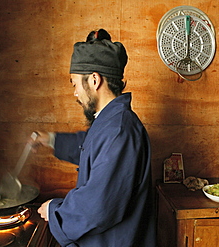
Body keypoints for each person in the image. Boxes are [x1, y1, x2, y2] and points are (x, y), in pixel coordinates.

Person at [33, 29, 156, 247]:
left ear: (94, 80)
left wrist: (55, 210)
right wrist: (50, 139)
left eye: (75, 84)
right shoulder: (110, 121)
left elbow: (99, 205)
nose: (75, 94)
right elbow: (89, 147)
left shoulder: (119, 130)